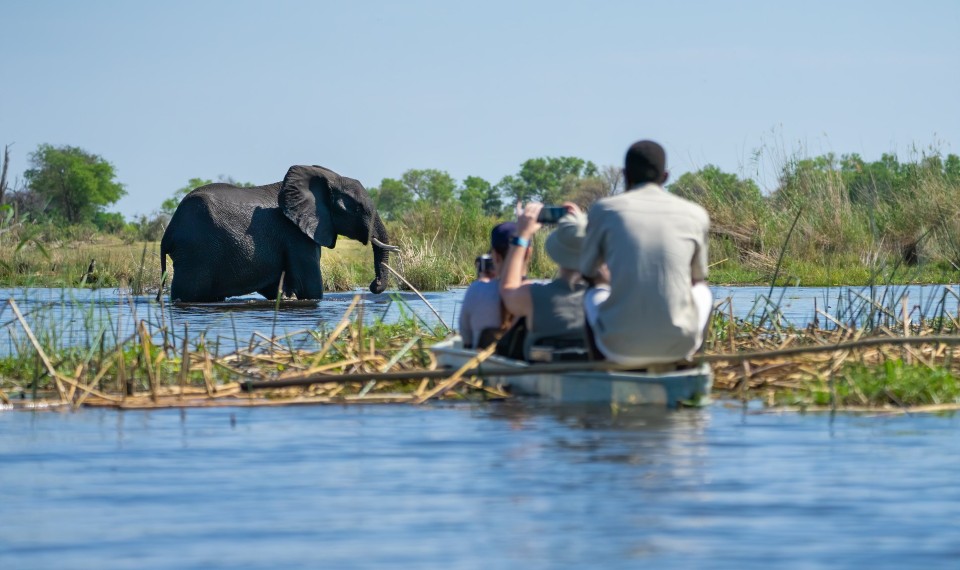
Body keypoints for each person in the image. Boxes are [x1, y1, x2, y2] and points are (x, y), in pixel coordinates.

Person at [579, 140, 712, 367]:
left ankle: (600, 365)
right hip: (678, 347)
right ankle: (692, 366)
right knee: (703, 291)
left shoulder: (605, 210)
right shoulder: (695, 214)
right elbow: (696, 278)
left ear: (625, 175)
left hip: (618, 349)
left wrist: (605, 280)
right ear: (666, 177)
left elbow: (587, 272)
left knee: (592, 293)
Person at [499, 202, 588, 361]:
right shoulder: (607, 297)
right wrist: (581, 226)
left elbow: (507, 289)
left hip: (541, 376)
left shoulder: (534, 296)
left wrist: (522, 235)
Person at [458, 221, 534, 348]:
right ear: (528, 253)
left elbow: (467, 340)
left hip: (485, 365)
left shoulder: (476, 290)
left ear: (495, 256)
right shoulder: (539, 292)